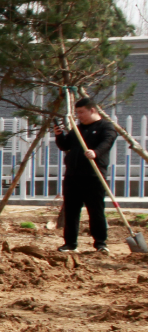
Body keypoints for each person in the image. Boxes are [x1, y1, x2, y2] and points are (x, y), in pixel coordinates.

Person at [54, 97, 117, 253]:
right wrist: (59, 135)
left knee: (95, 210)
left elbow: (107, 142)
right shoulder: (78, 129)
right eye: (77, 113)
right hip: (73, 176)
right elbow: (65, 145)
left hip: (93, 176)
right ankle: (70, 243)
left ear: (92, 110)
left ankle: (100, 243)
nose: (79, 116)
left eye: (81, 112)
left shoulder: (106, 127)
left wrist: (96, 152)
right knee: (71, 211)